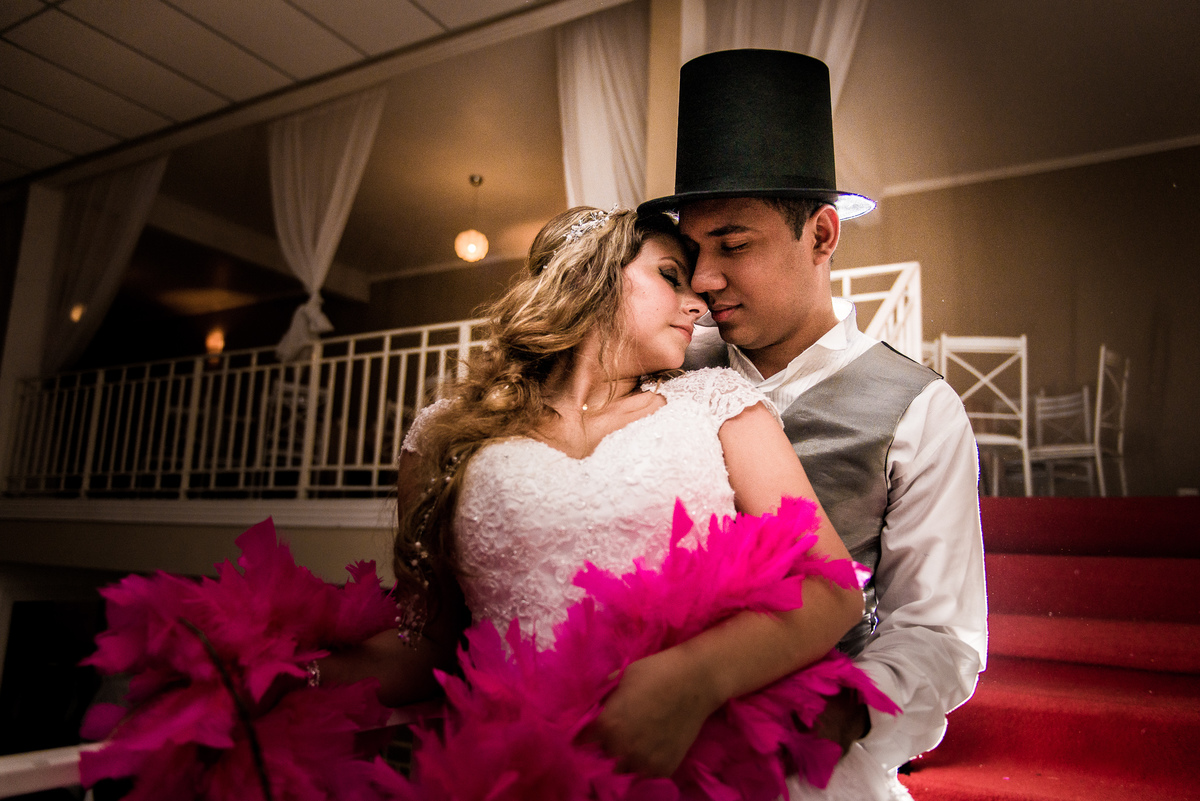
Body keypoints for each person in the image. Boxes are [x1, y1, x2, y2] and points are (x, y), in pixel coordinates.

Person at [317, 205, 870, 788]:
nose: (699, 304)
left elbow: (834, 588)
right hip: (517, 775)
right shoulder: (444, 433)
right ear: (591, 275)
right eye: (670, 276)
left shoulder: (719, 402)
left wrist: (695, 678)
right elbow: (429, 644)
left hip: (691, 764)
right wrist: (300, 677)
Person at [638, 49, 988, 800]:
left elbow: (937, 635)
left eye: (734, 245)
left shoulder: (921, 410)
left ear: (823, 235)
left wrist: (829, 718)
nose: (703, 280)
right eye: (693, 252)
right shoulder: (661, 371)